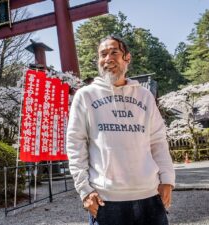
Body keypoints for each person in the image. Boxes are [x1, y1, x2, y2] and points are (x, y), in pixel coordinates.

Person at [66, 35, 175, 225]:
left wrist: (167, 179)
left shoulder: (144, 95)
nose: (108, 58)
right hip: (106, 200)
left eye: (114, 52)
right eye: (103, 54)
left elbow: (157, 140)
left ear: (127, 58)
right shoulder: (85, 96)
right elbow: (75, 144)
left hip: (150, 195)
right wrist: (84, 190)